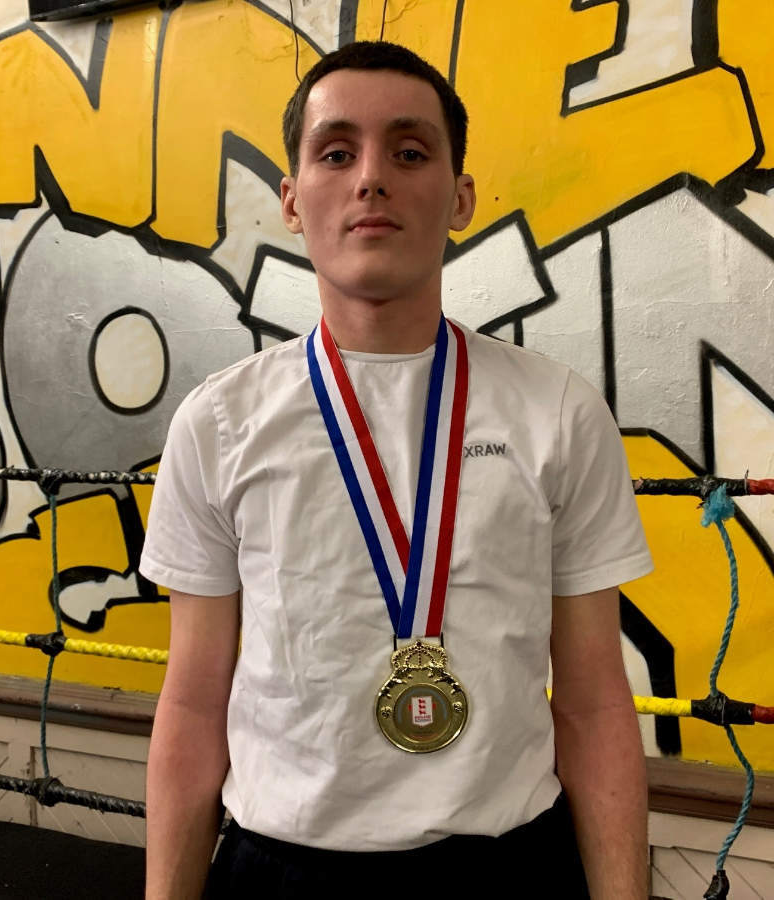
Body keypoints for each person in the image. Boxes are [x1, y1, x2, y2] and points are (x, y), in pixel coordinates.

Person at [139, 41, 653, 900]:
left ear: (460, 198)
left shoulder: (557, 412)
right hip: (280, 870)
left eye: (408, 152)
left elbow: (597, 700)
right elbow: (192, 703)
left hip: (509, 866)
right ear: (294, 200)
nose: (370, 177)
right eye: (336, 152)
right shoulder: (220, 423)